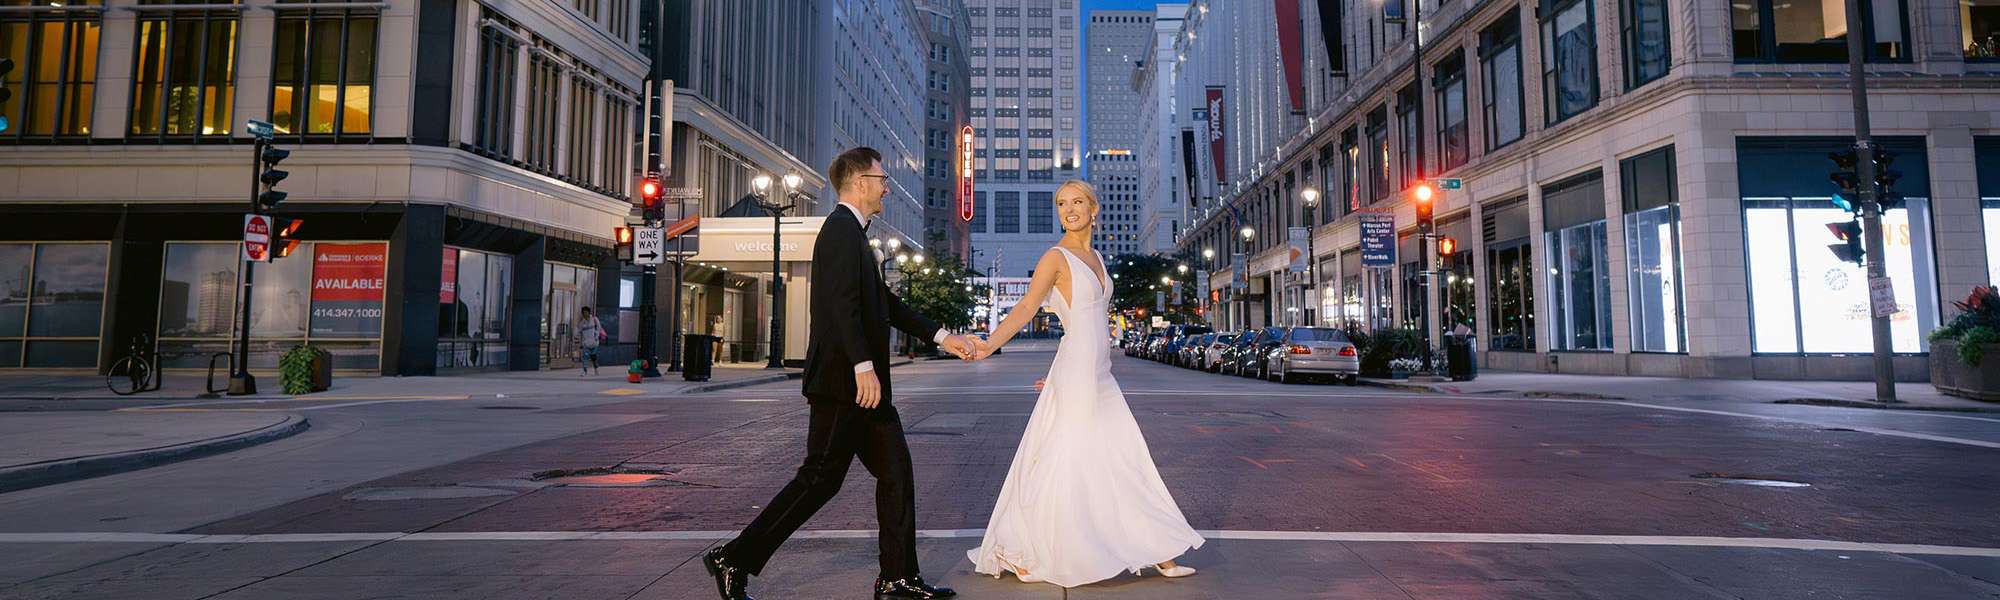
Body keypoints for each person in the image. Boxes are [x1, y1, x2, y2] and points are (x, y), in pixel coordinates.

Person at [703, 147, 981, 600]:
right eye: (882, 178)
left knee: (896, 473)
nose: (887, 187)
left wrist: (942, 337)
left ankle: (897, 577)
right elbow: (840, 307)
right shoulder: (838, 231)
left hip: (864, 389)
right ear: (858, 182)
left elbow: (884, 305)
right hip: (843, 385)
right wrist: (862, 366)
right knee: (819, 479)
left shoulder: (856, 235)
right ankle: (734, 557)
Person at [964, 180, 1205, 588]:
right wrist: (988, 344)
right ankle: (1022, 547)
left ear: (1094, 210)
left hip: (1097, 373)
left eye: (1077, 202)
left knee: (1125, 456)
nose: (1069, 209)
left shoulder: (1095, 255)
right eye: (1062, 204)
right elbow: (1027, 306)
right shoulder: (1054, 258)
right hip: (1078, 371)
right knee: (1073, 457)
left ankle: (1156, 547)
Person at [577, 306, 602, 375]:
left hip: (595, 342)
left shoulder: (594, 319)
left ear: (589, 312)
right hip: (586, 343)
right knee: (585, 357)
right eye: (583, 313)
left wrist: (597, 336)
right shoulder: (582, 322)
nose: (585, 314)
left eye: (586, 312)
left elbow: (599, 328)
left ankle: (596, 369)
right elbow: (578, 331)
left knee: (593, 356)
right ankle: (585, 371)